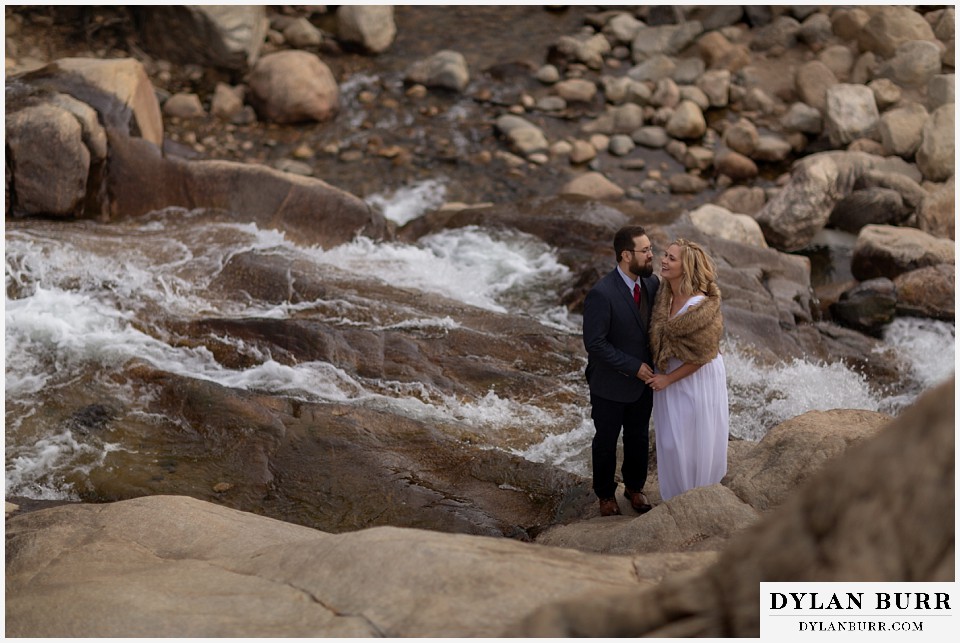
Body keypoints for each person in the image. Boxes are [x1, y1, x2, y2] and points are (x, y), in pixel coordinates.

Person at [639, 239, 729, 501]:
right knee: (671, 440)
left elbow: (703, 355)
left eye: (672, 258)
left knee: (693, 438)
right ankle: (675, 499)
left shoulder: (699, 305)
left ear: (687, 266)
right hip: (668, 374)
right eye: (665, 255)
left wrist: (667, 379)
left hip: (695, 376)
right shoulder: (664, 294)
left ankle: (698, 497)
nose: (663, 261)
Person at [582, 225, 660, 516]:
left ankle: (634, 487)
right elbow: (595, 343)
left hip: (644, 383)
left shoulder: (651, 285)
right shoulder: (601, 293)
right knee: (606, 440)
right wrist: (632, 367)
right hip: (609, 385)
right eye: (646, 250)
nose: (652, 255)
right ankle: (605, 494)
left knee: (638, 437)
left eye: (651, 249)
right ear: (626, 255)